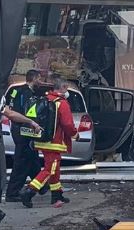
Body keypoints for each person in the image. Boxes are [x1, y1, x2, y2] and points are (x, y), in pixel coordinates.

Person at [20, 76, 78, 209]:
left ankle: (57, 196)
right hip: (54, 142)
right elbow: (68, 124)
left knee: (54, 169)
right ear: (63, 88)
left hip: (43, 139)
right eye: (67, 87)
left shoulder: (47, 99)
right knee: (50, 170)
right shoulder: (61, 103)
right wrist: (75, 135)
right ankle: (29, 191)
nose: (67, 90)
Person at [4, 69, 43, 203]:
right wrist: (34, 123)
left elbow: (9, 106)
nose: (41, 82)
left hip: (16, 127)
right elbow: (29, 113)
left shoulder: (16, 90)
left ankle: (42, 185)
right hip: (25, 129)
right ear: (34, 78)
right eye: (39, 79)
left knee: (32, 158)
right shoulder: (28, 94)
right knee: (22, 161)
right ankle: (12, 192)